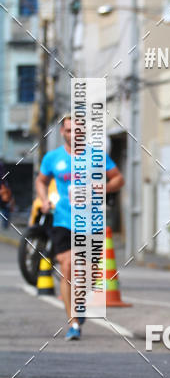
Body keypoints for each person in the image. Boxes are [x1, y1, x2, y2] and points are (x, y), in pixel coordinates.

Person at [35, 115, 124, 340]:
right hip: (64, 220)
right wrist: (44, 199)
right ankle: (74, 323)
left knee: (90, 272)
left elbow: (118, 180)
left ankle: (80, 300)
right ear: (63, 133)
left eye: (78, 130)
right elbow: (41, 181)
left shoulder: (97, 156)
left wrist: (101, 187)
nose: (74, 134)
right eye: (69, 130)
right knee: (68, 266)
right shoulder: (52, 158)